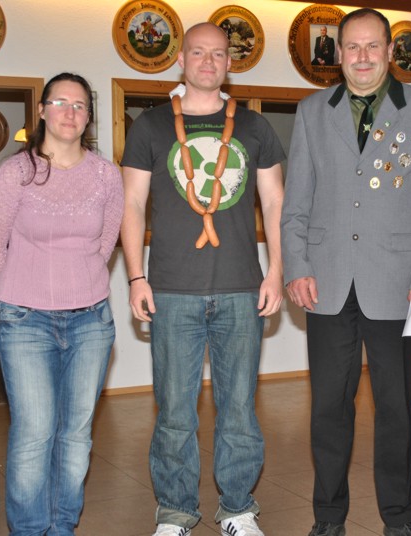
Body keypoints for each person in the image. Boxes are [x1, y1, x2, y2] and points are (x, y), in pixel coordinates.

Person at [281, 8, 411, 536]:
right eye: (352, 47)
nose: (362, 56)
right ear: (337, 54)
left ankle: (400, 519)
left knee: (396, 410)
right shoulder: (312, 112)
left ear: (389, 51)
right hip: (326, 283)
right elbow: (296, 203)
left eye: (372, 46)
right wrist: (296, 266)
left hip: (399, 286)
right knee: (328, 411)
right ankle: (328, 518)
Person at [121, 22, 285, 536]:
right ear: (180, 60)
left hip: (241, 288)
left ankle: (237, 509)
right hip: (171, 291)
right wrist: (135, 277)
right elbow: (131, 204)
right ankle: (175, 514)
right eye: (198, 53)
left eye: (218, 54)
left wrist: (277, 271)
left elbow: (275, 203)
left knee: (239, 410)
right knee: (174, 412)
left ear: (230, 63)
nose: (208, 62)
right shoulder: (150, 126)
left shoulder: (255, 127)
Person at [0, 73, 124, 535]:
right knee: (34, 433)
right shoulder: (16, 172)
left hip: (92, 321)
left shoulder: (106, 175)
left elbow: (105, 243)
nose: (69, 112)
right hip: (26, 321)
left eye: (79, 105)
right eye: (60, 102)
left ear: (89, 116)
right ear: (41, 110)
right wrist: (20, 288)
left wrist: (77, 282)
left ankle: (61, 527)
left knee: (76, 435)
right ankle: (28, 530)